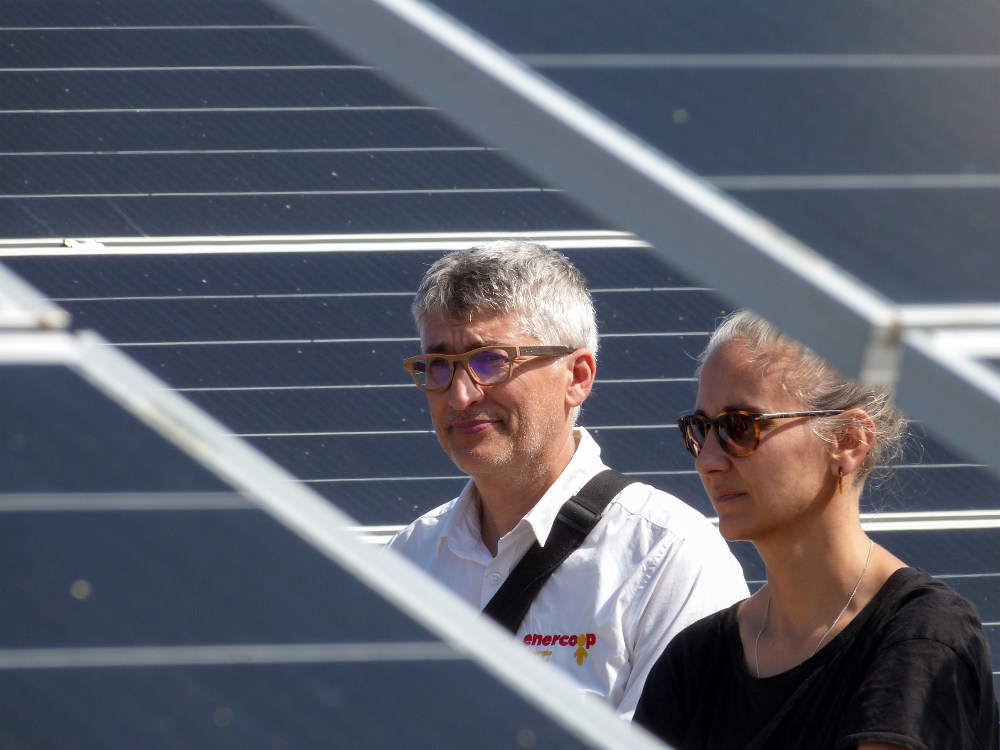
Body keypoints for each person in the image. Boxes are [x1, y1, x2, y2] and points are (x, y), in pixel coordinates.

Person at [386, 240, 749, 718]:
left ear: (577, 376)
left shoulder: (667, 559)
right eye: (438, 365)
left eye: (491, 361)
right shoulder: (409, 559)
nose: (459, 395)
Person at [634, 309, 999, 749]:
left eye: (739, 426)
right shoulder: (694, 662)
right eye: (699, 429)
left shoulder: (919, 638)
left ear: (847, 440)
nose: (707, 460)